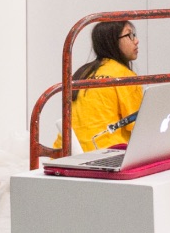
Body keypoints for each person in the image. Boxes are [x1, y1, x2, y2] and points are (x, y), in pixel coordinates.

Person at [61, 20, 143, 152]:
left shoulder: (83, 72)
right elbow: (139, 126)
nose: (136, 40)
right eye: (129, 35)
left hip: (66, 153)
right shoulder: (124, 76)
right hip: (106, 153)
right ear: (112, 41)